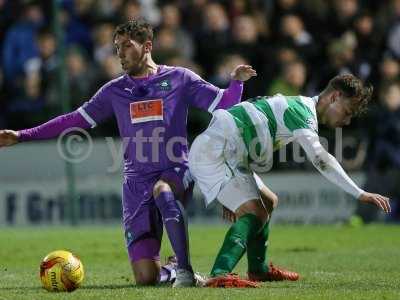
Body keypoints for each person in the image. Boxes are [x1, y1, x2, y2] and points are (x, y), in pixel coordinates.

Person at [0, 19, 256, 287]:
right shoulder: (114, 91)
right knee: (146, 278)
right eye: (116, 47)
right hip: (135, 186)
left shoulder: (179, 79)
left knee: (163, 191)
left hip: (176, 171)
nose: (120, 53)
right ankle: (170, 269)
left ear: (147, 46)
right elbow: (72, 120)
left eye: (126, 46)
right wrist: (22, 135)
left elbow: (224, 103)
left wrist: (236, 83)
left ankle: (185, 271)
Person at [188, 74, 391, 287]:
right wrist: (360, 193)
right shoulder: (301, 112)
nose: (347, 121)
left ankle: (258, 269)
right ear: (335, 97)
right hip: (217, 151)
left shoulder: (298, 106)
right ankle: (219, 274)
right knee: (254, 211)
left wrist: (231, 195)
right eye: (347, 112)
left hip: (230, 152)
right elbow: (321, 159)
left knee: (268, 201)